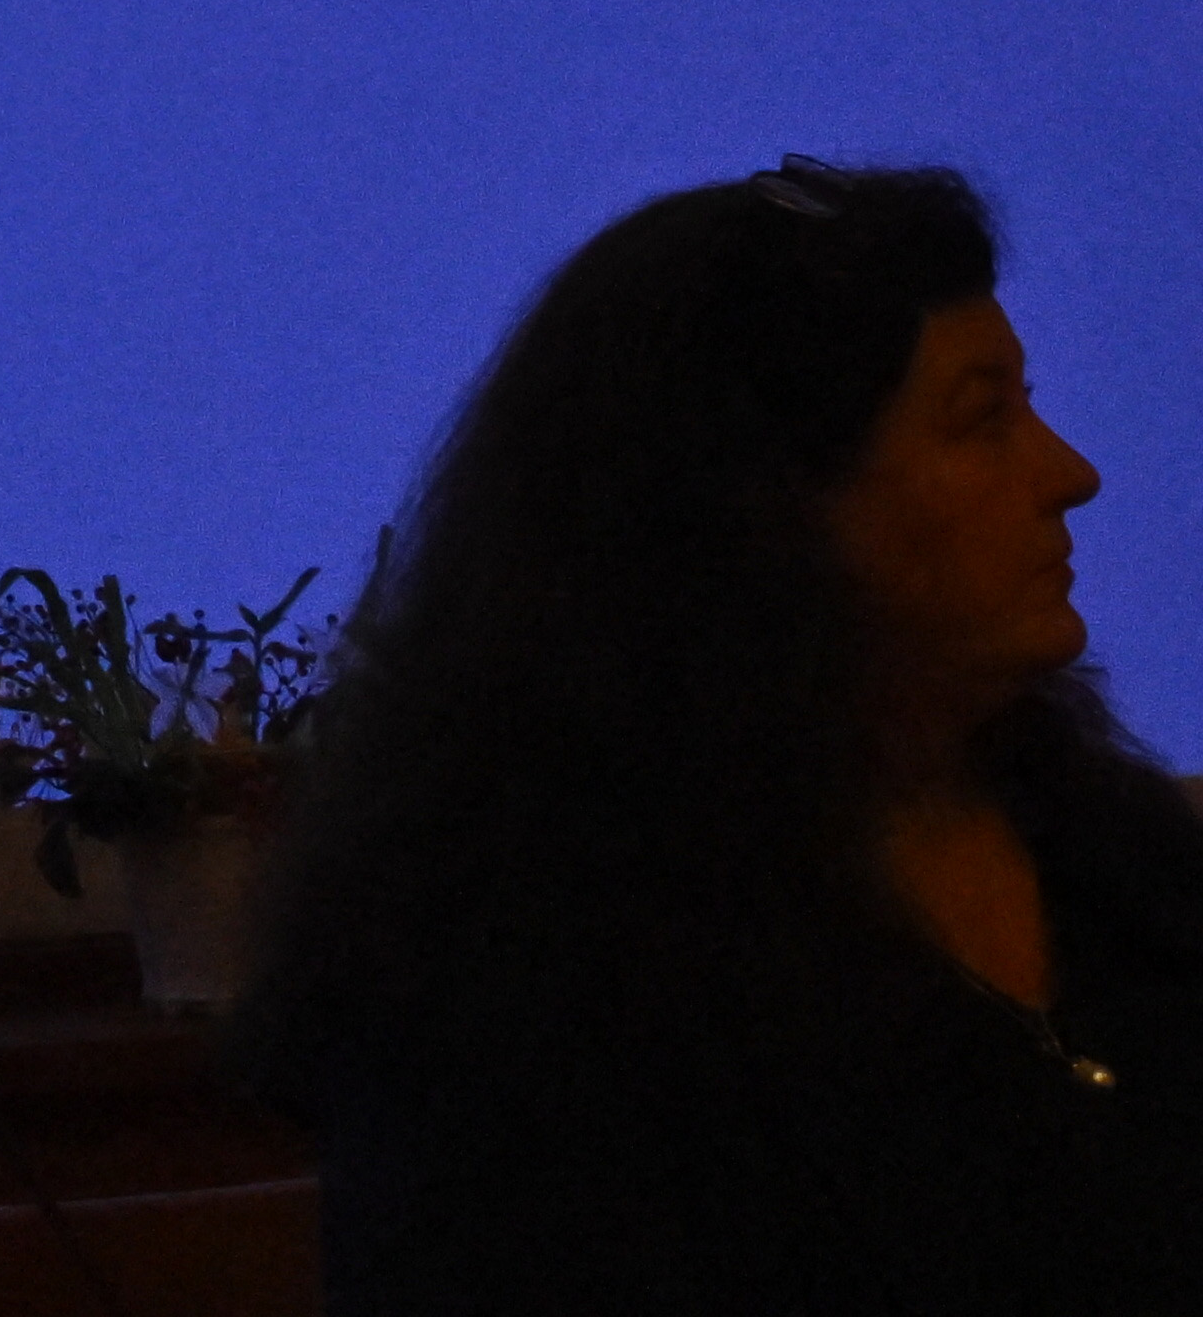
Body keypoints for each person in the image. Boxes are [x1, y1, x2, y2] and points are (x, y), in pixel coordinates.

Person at [236, 161, 1203, 1306]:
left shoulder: (1121, 867)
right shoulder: (532, 1005)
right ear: (761, 516)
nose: (1070, 473)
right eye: (981, 419)